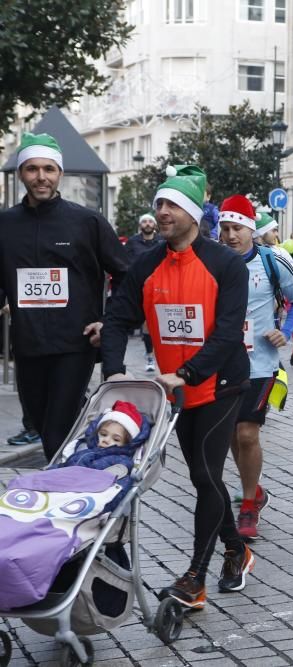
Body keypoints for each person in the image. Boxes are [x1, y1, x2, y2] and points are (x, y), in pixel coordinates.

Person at [101, 164, 255, 609]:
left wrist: (185, 373)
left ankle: (195, 579)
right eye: (159, 205)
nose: (162, 212)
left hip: (222, 383)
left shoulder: (225, 264)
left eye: (171, 205)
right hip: (176, 390)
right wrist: (112, 371)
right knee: (201, 476)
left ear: (192, 213)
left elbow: (227, 335)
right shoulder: (146, 263)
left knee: (206, 475)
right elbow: (117, 318)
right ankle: (237, 549)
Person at [0, 132, 128, 460]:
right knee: (43, 426)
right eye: (32, 169)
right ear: (21, 174)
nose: (41, 177)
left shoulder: (86, 221)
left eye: (48, 169)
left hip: (75, 344)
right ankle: (86, 461)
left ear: (59, 173)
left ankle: (67, 492)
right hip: (28, 345)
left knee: (56, 429)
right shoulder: (5, 225)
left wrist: (108, 321)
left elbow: (127, 275)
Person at [217, 194, 293, 541]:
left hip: (261, 364)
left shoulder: (273, 261)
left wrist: (285, 331)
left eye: (237, 228)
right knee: (229, 434)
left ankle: (247, 505)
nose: (230, 235)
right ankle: (254, 490)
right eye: (225, 228)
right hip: (222, 363)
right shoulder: (211, 261)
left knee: (246, 433)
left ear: (251, 230)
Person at [124, 212, 163, 372]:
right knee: (147, 325)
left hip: (161, 287)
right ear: (140, 225)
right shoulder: (132, 242)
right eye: (144, 221)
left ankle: (159, 356)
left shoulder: (162, 241)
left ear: (154, 225)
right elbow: (123, 261)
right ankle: (149, 356)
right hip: (140, 288)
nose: (147, 224)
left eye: (150, 221)